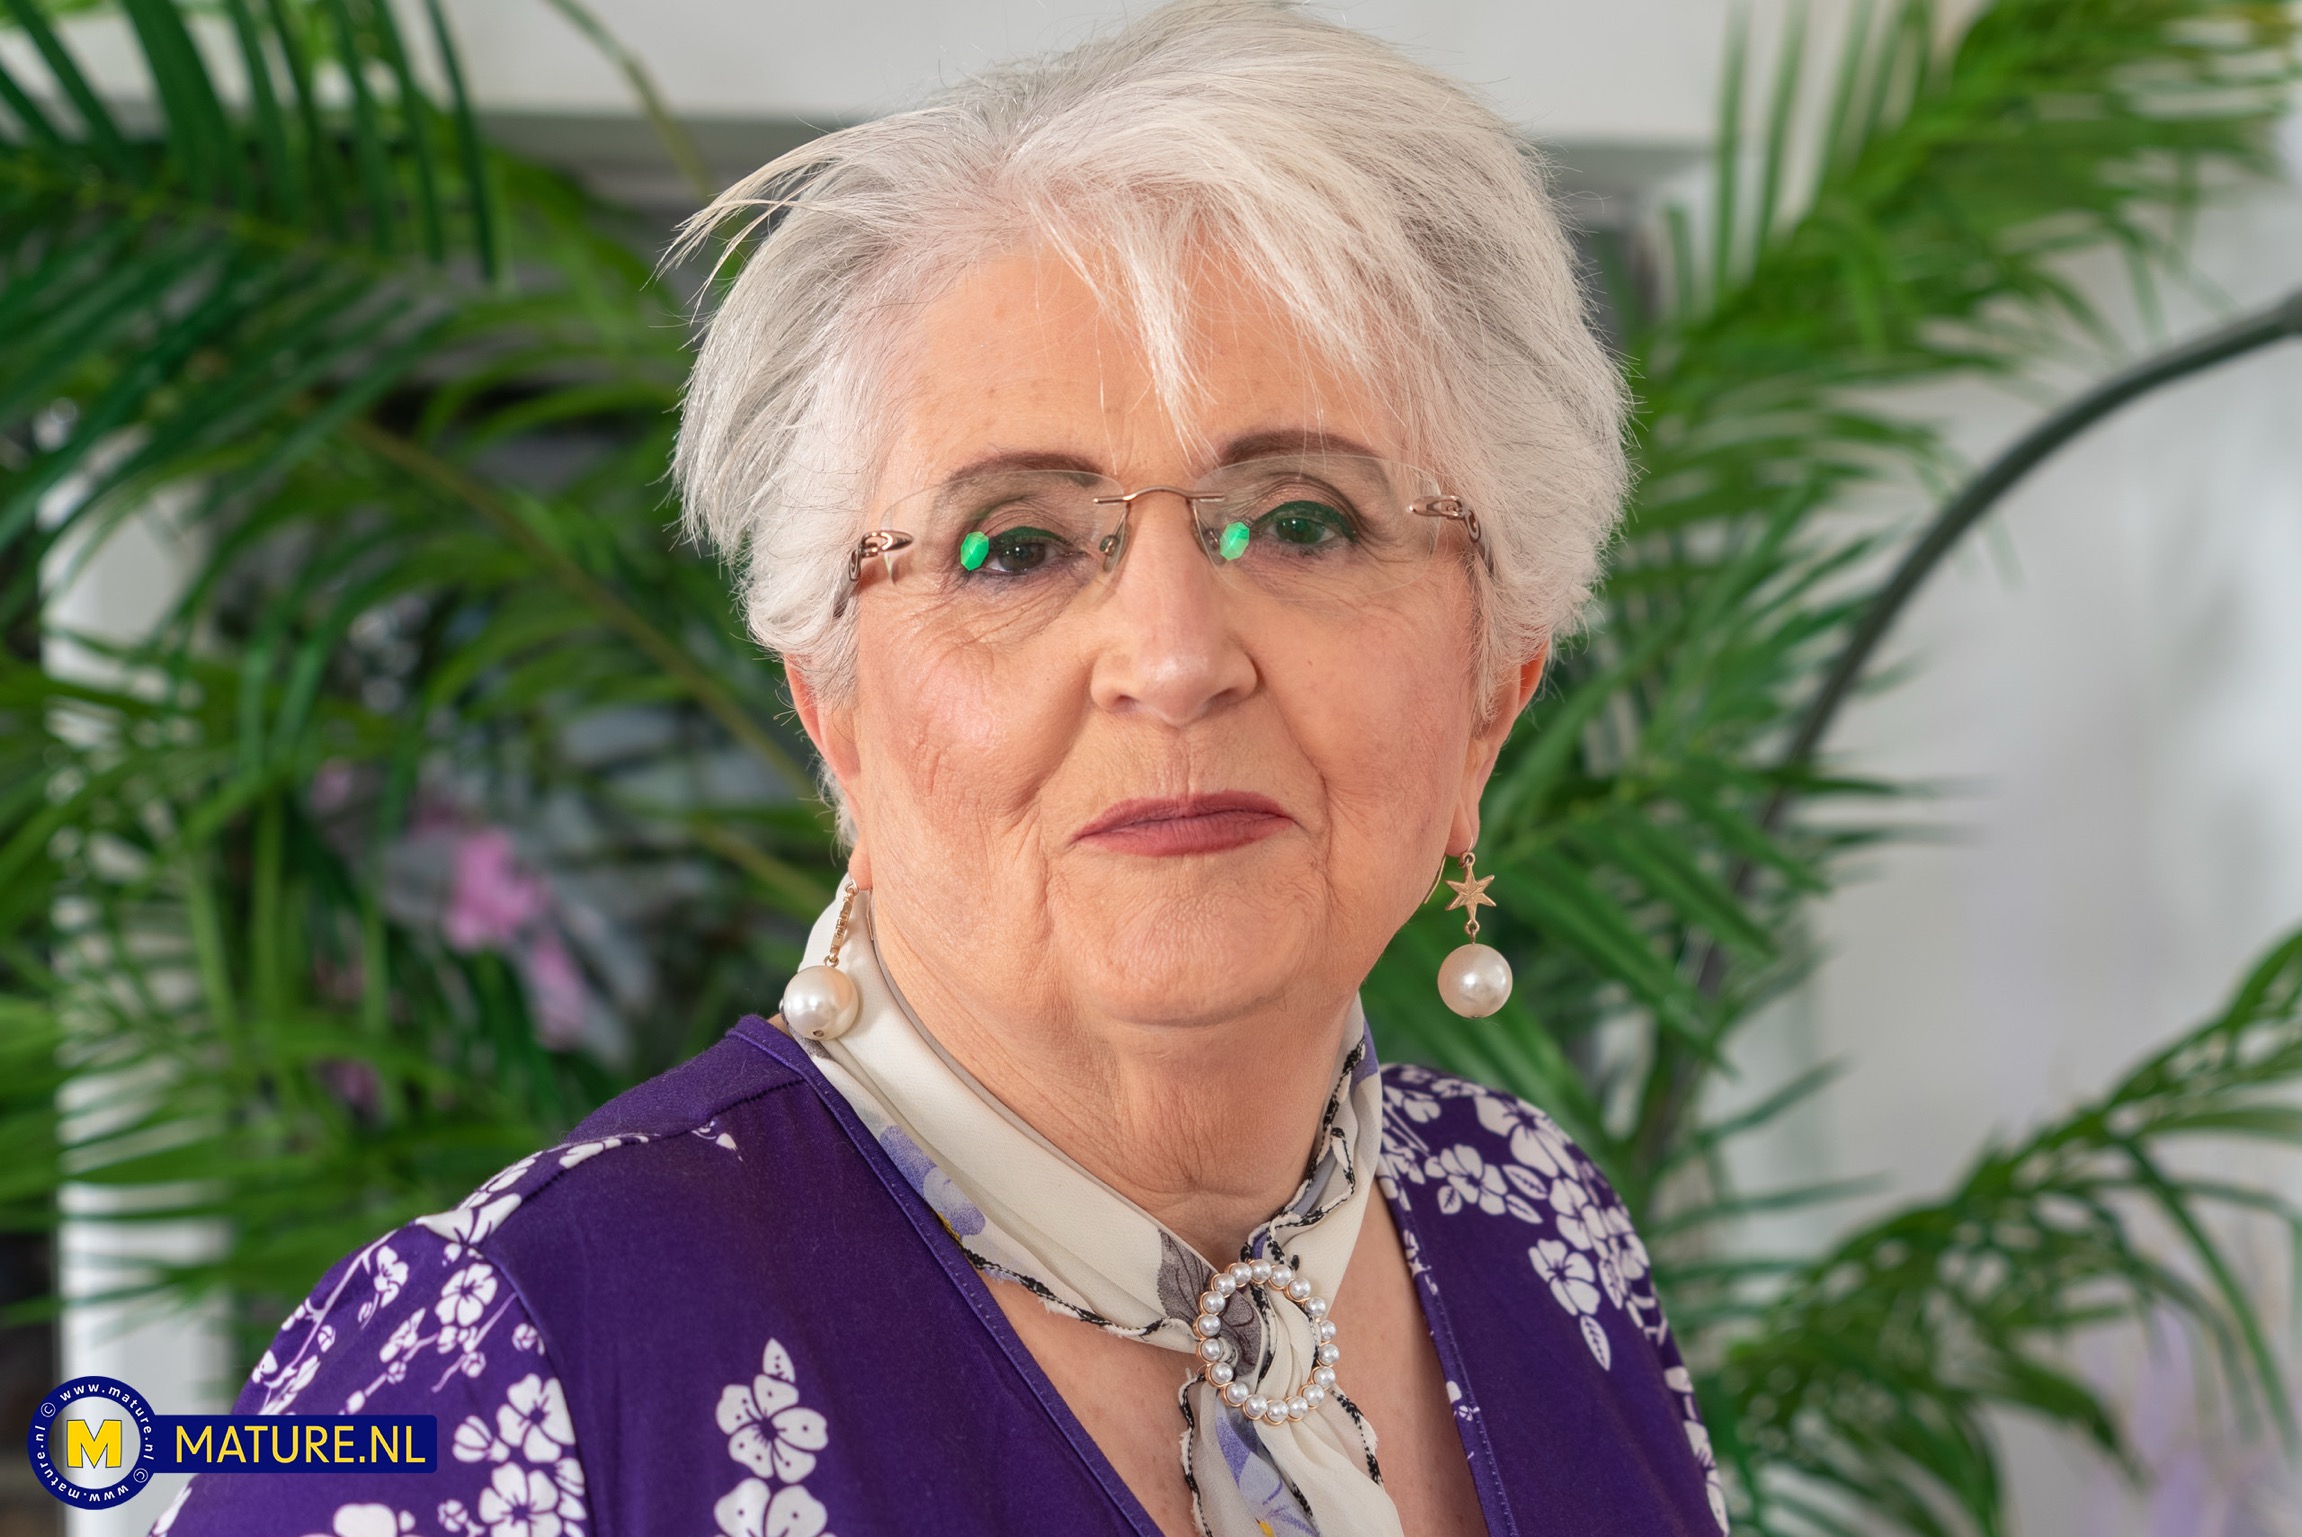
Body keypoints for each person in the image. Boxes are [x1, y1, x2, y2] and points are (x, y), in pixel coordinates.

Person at [155, 4, 1727, 1534]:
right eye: (1014, 545)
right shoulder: (512, 1350)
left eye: (1304, 519)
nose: (1172, 655)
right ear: (834, 706)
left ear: (1492, 691)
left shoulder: (1537, 1230)